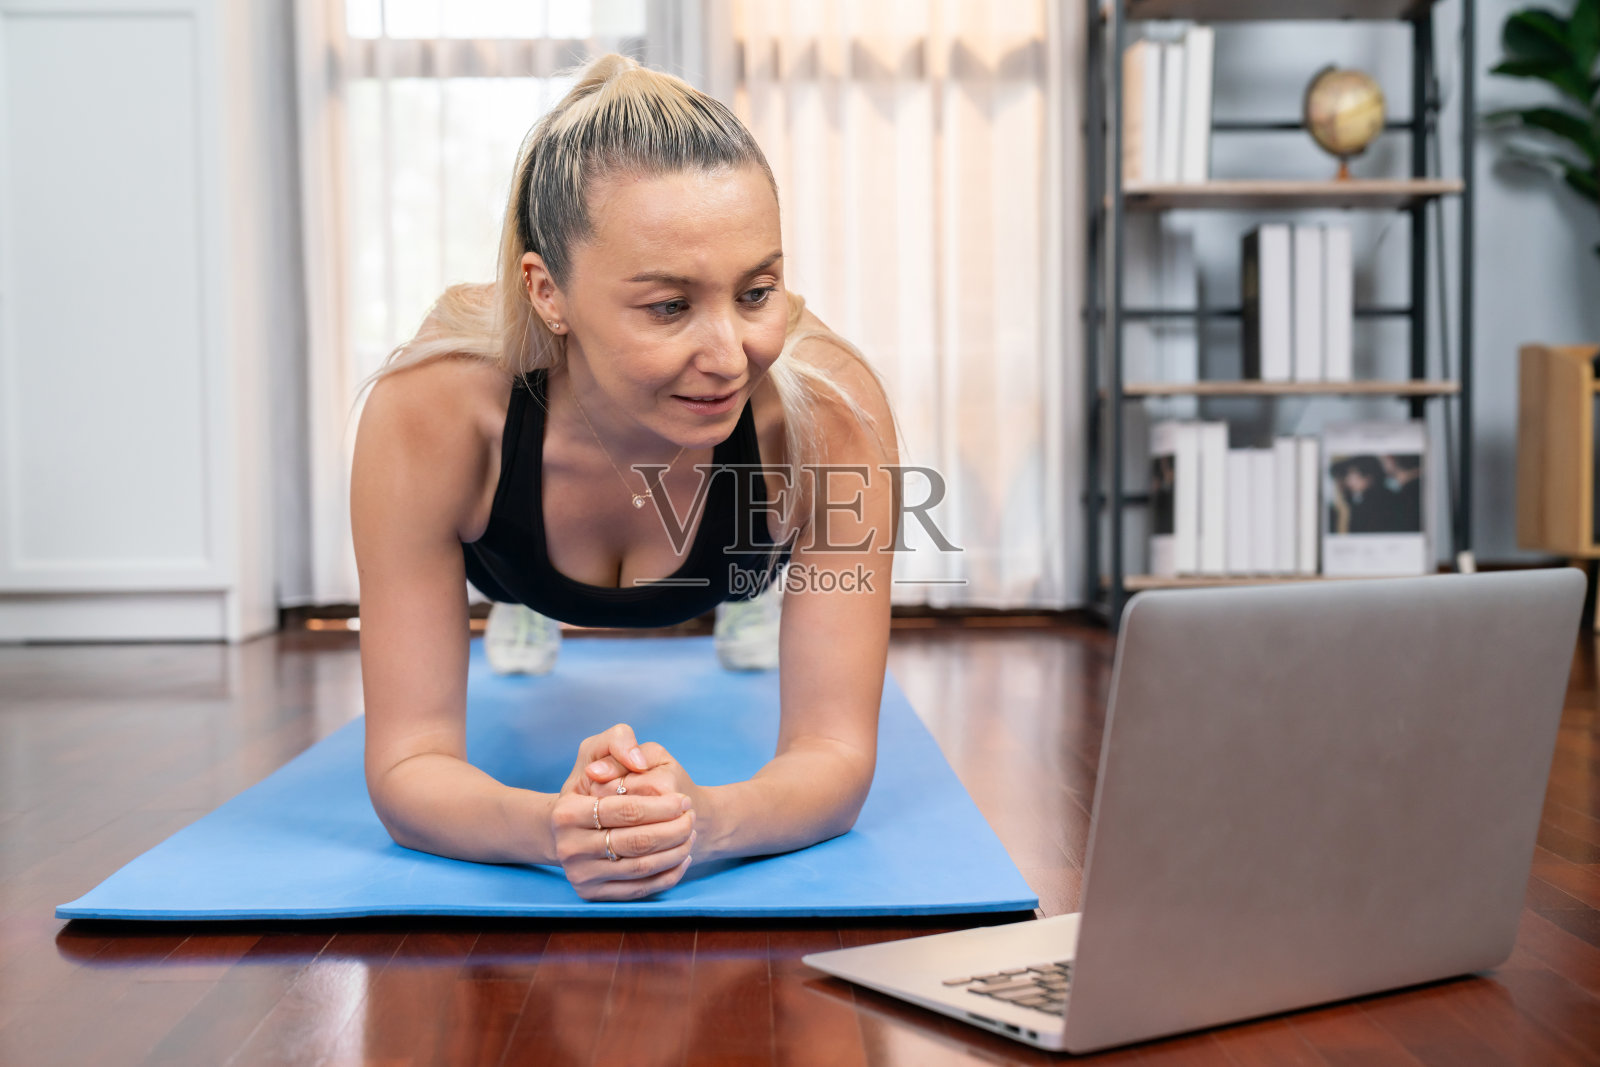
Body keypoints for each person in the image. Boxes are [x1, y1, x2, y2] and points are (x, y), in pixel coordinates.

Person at [348, 54, 901, 902]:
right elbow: (407, 763)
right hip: (511, 553)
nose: (729, 356)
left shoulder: (831, 411)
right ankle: (522, 613)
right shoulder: (431, 414)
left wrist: (704, 818)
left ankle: (744, 604)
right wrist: (552, 828)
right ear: (548, 293)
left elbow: (834, 754)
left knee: (755, 525)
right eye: (669, 306)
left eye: (757, 291)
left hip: (737, 543)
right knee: (516, 581)